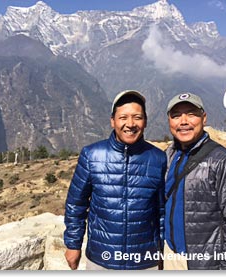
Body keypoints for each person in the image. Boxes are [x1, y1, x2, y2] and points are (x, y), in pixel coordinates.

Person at [64, 90, 167, 270]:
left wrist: (161, 250)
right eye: (123, 117)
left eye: (137, 117)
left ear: (146, 121)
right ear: (113, 121)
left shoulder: (157, 158)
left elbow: (161, 210)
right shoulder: (92, 155)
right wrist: (73, 244)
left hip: (144, 259)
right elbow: (76, 204)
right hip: (101, 256)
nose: (130, 124)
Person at [164, 92, 226, 270]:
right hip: (170, 256)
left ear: (204, 118)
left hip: (205, 264)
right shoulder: (169, 155)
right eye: (176, 115)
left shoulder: (225, 161)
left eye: (191, 114)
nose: (183, 121)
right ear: (169, 121)